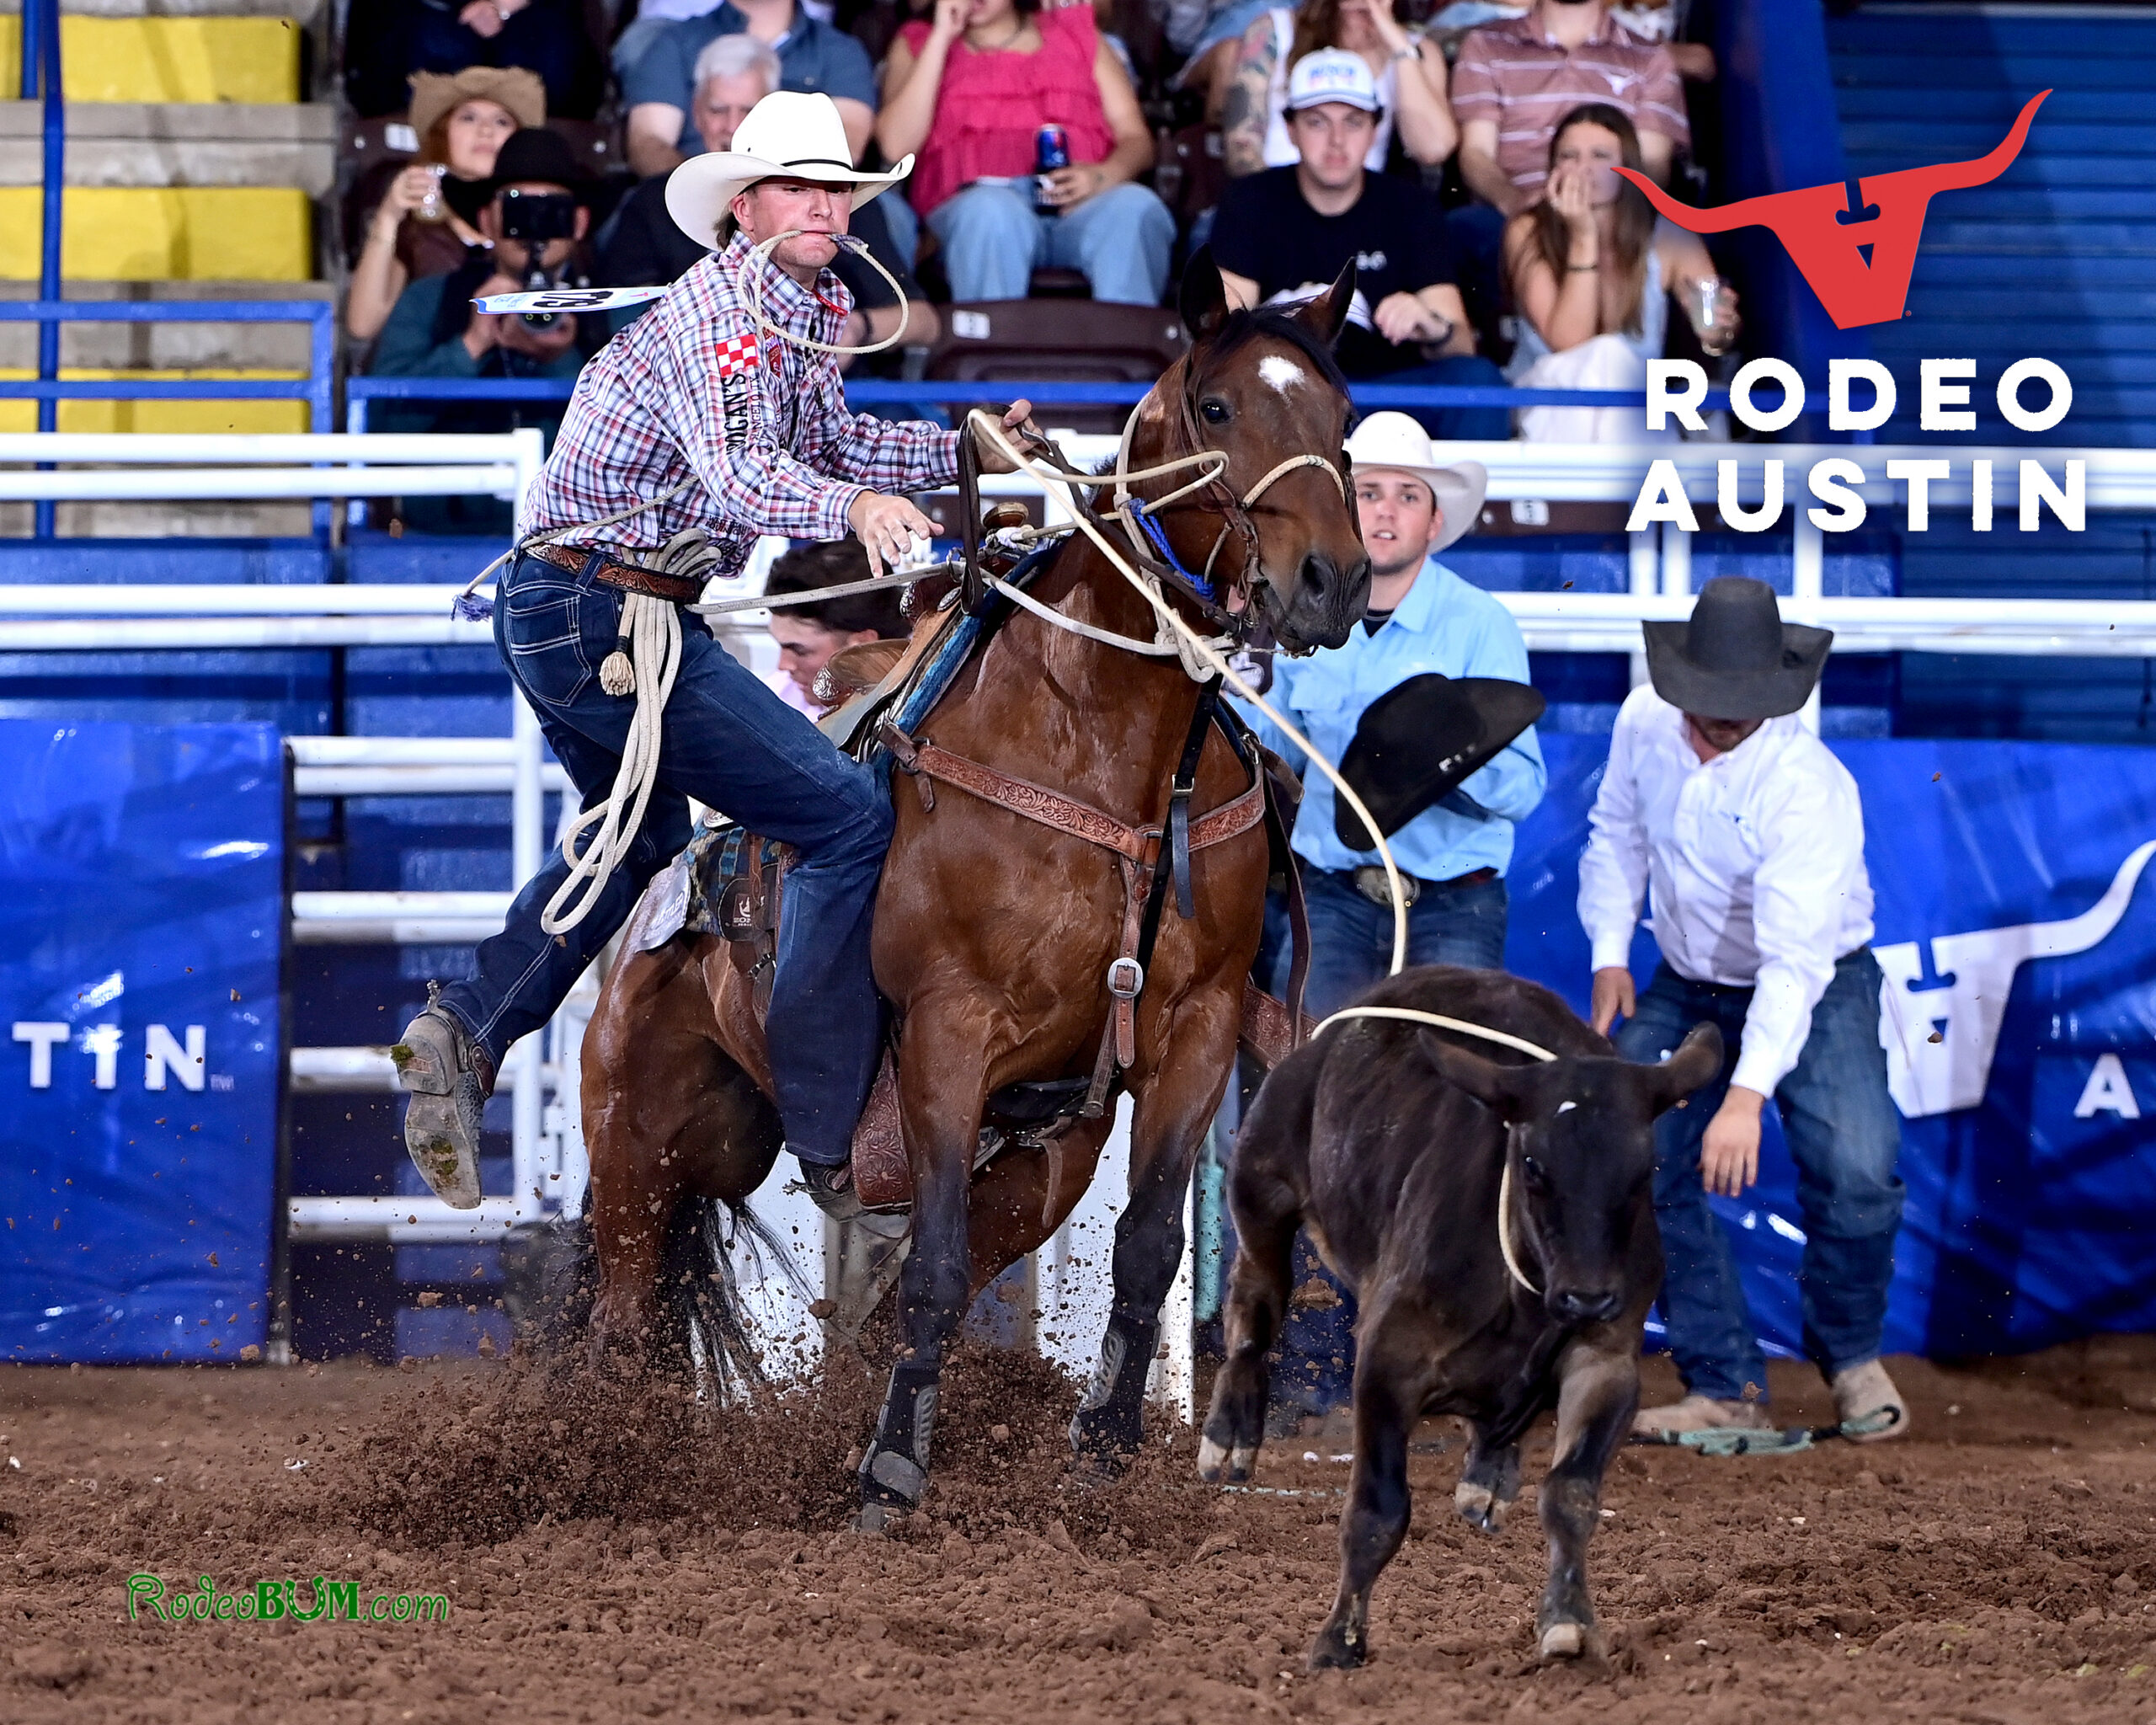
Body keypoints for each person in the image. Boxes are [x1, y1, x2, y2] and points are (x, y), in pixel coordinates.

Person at [392, 92, 1037, 1222]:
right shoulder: (726, 323)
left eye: (834, 189)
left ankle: (468, 1023)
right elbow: (747, 476)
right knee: (842, 817)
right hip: (604, 612)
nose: (822, 205)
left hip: (585, 605)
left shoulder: (798, 307)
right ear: (745, 207)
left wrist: (958, 449)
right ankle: (830, 1126)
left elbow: (829, 440)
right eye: (798, 187)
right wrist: (864, 501)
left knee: (639, 836)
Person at [1578, 576, 1908, 1444]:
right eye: (1704, 699)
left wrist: (1745, 1095)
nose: (1718, 718)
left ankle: (1849, 1354)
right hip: (1689, 979)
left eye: (1738, 702)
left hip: (1815, 978)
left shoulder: (1806, 785)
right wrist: (1610, 948)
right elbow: (1614, 830)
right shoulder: (1641, 722)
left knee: (1858, 1168)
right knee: (1633, 1153)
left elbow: (1793, 962)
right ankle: (1722, 1377)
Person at [1238, 412, 1546, 1012]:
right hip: (1333, 898)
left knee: (1453, 1085)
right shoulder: (1297, 618)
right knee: (1315, 1072)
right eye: (1370, 493)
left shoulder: (1482, 625)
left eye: (1408, 496)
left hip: (1456, 901)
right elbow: (1265, 749)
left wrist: (1450, 755)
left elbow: (1524, 789)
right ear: (1346, 511)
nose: (1386, 511)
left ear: (1433, 521)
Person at [1209, 52, 1508, 442]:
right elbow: (1220, 334)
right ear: (1291, 128)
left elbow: (1459, 344)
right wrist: (1280, 321)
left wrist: (1427, 322)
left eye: (1354, 122)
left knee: (1478, 381)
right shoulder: (1251, 200)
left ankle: (1466, 504)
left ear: (1375, 130)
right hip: (1284, 390)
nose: (1337, 141)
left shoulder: (1409, 205)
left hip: (1389, 392)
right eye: (1317, 122)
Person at [600, 34, 940, 361]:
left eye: (747, 111)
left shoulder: (843, 212)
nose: (732, 126)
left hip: (853, 394)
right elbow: (621, 320)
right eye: (719, 110)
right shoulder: (652, 205)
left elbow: (924, 321)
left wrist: (855, 329)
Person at [366, 127, 603, 532]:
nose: (535, 229)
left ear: (579, 223)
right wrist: (471, 345)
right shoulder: (431, 300)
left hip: (576, 539)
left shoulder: (612, 310)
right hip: (441, 531)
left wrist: (561, 359)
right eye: (517, 211)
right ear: (487, 219)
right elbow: (380, 426)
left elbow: (641, 440)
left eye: (552, 213)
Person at [876, 0, 1174, 306]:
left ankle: (1130, 351)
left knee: (1136, 207)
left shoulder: (1077, 33)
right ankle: (988, 352)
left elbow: (1136, 138)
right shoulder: (917, 41)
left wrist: (1103, 175)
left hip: (1079, 206)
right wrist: (941, 36)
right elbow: (895, 148)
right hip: (976, 209)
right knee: (991, 211)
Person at [1447, 0, 1689, 350]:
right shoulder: (1487, 45)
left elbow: (1652, 164)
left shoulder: (1649, 57)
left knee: (1658, 235)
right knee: (1473, 229)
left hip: (1616, 210)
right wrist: (1518, 203)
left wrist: (1608, 212)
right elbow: (1476, 154)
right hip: (1520, 211)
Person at [1501, 103, 1735, 440]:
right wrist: (1583, 236)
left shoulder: (1669, 235)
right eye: (1569, 156)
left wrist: (1719, 331)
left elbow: (1714, 327)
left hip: (1640, 403)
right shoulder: (1528, 229)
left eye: (1600, 156)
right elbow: (1570, 344)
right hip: (1550, 397)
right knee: (1607, 355)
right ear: (1553, 168)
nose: (1584, 169)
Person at [347, 67, 544, 343]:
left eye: (501, 122)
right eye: (468, 118)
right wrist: (389, 216)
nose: (486, 130)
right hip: (431, 376)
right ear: (443, 135)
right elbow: (362, 324)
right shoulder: (417, 228)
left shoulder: (546, 217)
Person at [621, 0, 880, 177]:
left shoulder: (840, 52)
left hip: (806, 194)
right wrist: (705, 189)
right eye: (717, 108)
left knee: (884, 215)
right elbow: (648, 142)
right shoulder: (675, 42)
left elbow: (846, 145)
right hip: (685, 196)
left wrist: (775, 192)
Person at [1213, 0, 1455, 179]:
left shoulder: (1416, 50)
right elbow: (1241, 145)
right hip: (1270, 200)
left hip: (1360, 211)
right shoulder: (1274, 28)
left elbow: (1433, 149)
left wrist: (1400, 49)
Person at [344, 0, 602, 120]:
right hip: (424, 24)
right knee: (437, 40)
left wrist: (503, 6)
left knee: (551, 39)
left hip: (526, 26)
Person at [760, 539, 910, 717]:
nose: (783, 666)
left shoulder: (920, 718)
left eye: (800, 651)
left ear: (863, 646)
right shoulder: (773, 700)